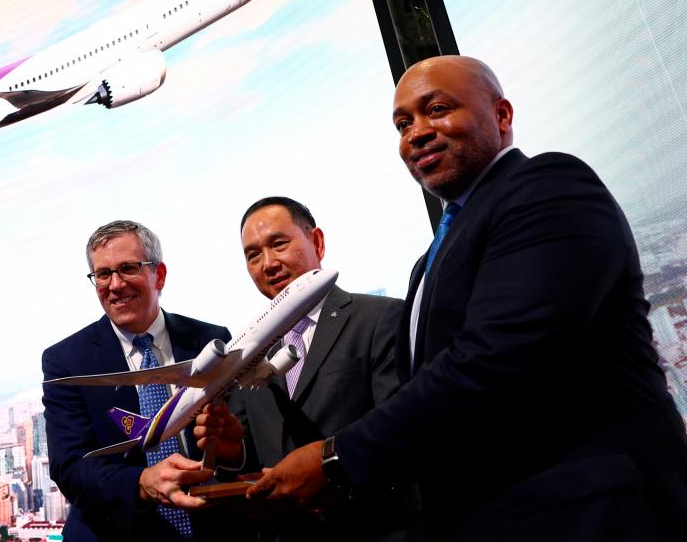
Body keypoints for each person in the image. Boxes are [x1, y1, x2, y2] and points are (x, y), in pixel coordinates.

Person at [246, 56, 687, 541]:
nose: (416, 133)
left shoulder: (548, 187)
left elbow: (496, 360)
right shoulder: (427, 264)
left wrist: (337, 458)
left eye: (436, 109)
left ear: (502, 115)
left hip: (591, 515)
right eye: (402, 123)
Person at [194, 197, 409, 541]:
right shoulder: (248, 352)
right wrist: (234, 450)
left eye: (279, 244)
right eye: (253, 255)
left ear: (317, 242)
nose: (268, 263)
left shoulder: (379, 318)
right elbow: (251, 454)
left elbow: (404, 429)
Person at [42, 220, 232, 541]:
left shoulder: (210, 340)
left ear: (159, 275)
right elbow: (70, 466)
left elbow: (240, 434)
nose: (115, 285)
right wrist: (141, 482)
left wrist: (232, 449)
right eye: (103, 274)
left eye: (128, 268)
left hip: (210, 525)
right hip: (115, 531)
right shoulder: (67, 362)